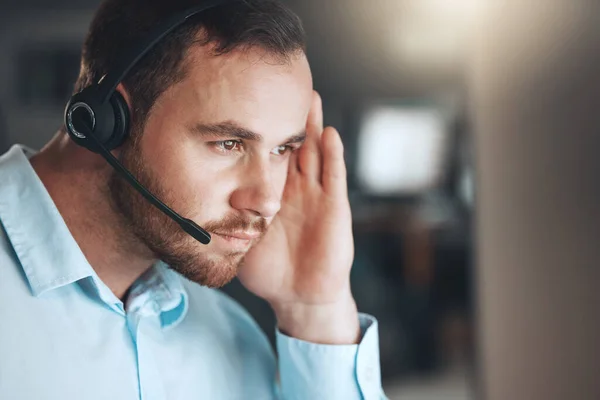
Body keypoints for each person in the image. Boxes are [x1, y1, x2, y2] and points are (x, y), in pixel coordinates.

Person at [0, 0, 386, 399]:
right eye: (228, 143)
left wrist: (316, 313)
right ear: (106, 122)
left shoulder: (229, 337)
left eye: (282, 150)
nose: (267, 202)